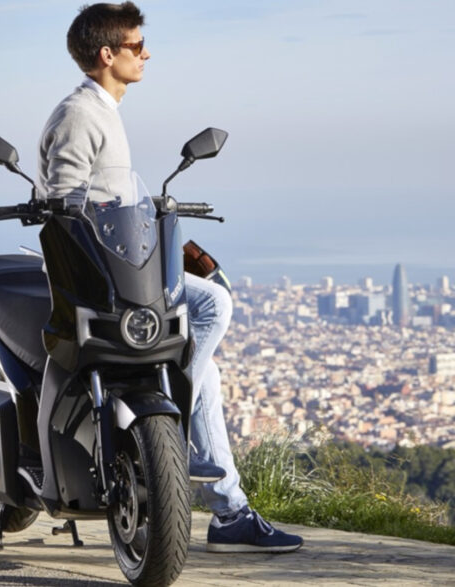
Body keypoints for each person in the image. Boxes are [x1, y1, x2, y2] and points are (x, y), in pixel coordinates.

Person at [32, 2, 302, 554]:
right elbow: (63, 202)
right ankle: (178, 430)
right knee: (212, 308)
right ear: (107, 55)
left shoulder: (102, 108)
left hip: (117, 269)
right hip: (97, 279)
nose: (146, 53)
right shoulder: (83, 113)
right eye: (136, 45)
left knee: (212, 372)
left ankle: (229, 512)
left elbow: (105, 195)